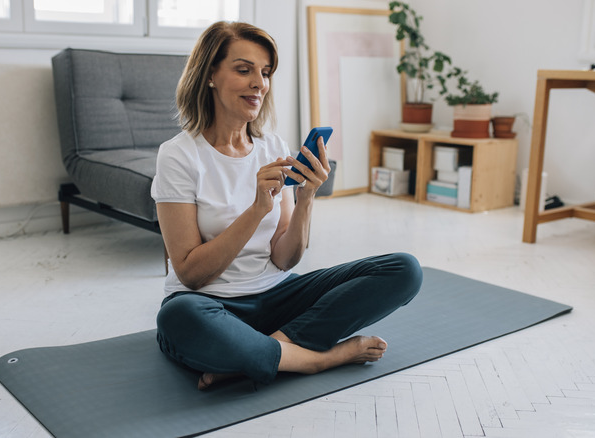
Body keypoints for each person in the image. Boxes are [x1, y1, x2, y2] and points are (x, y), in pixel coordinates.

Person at [151, 21, 422, 390]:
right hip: (209, 305)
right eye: (243, 69)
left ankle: (260, 355)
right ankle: (319, 360)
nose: (259, 83)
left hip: (277, 295)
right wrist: (257, 209)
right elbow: (191, 275)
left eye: (265, 73)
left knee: (404, 270)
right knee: (179, 317)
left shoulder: (272, 146)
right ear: (210, 74)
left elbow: (285, 259)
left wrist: (307, 198)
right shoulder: (178, 156)